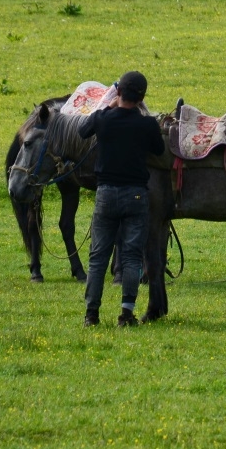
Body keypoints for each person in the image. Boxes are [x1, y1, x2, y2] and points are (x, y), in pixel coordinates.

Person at [78, 71, 165, 327]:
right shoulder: (146, 125)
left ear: (119, 93)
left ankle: (91, 315)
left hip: (105, 194)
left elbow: (83, 130)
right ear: (142, 98)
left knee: (98, 257)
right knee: (131, 256)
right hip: (136, 195)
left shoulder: (103, 119)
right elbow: (159, 150)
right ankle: (126, 314)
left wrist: (109, 104)